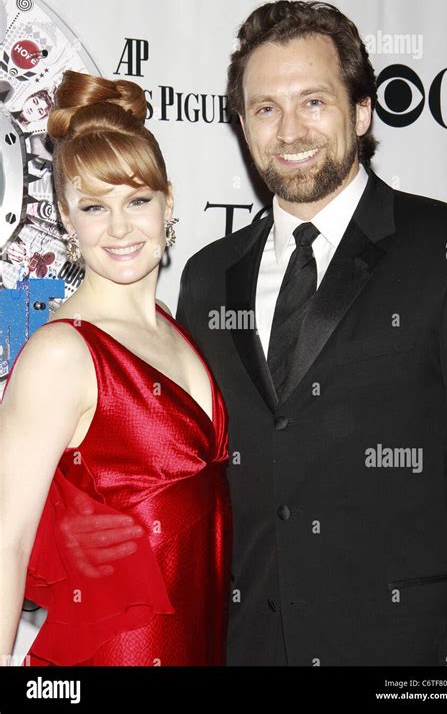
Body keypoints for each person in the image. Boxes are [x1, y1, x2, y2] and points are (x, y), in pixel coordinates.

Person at [50, 0, 447, 666]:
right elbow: (180, 464)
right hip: (242, 647)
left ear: (363, 110)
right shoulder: (208, 277)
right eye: (265, 108)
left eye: (313, 101)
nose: (289, 130)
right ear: (243, 124)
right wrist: (73, 527)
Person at [0, 70, 232, 667]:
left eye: (137, 200)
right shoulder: (63, 353)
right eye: (94, 207)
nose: (121, 227)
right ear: (64, 218)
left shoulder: (174, 330)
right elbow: (6, 540)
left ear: (168, 203)